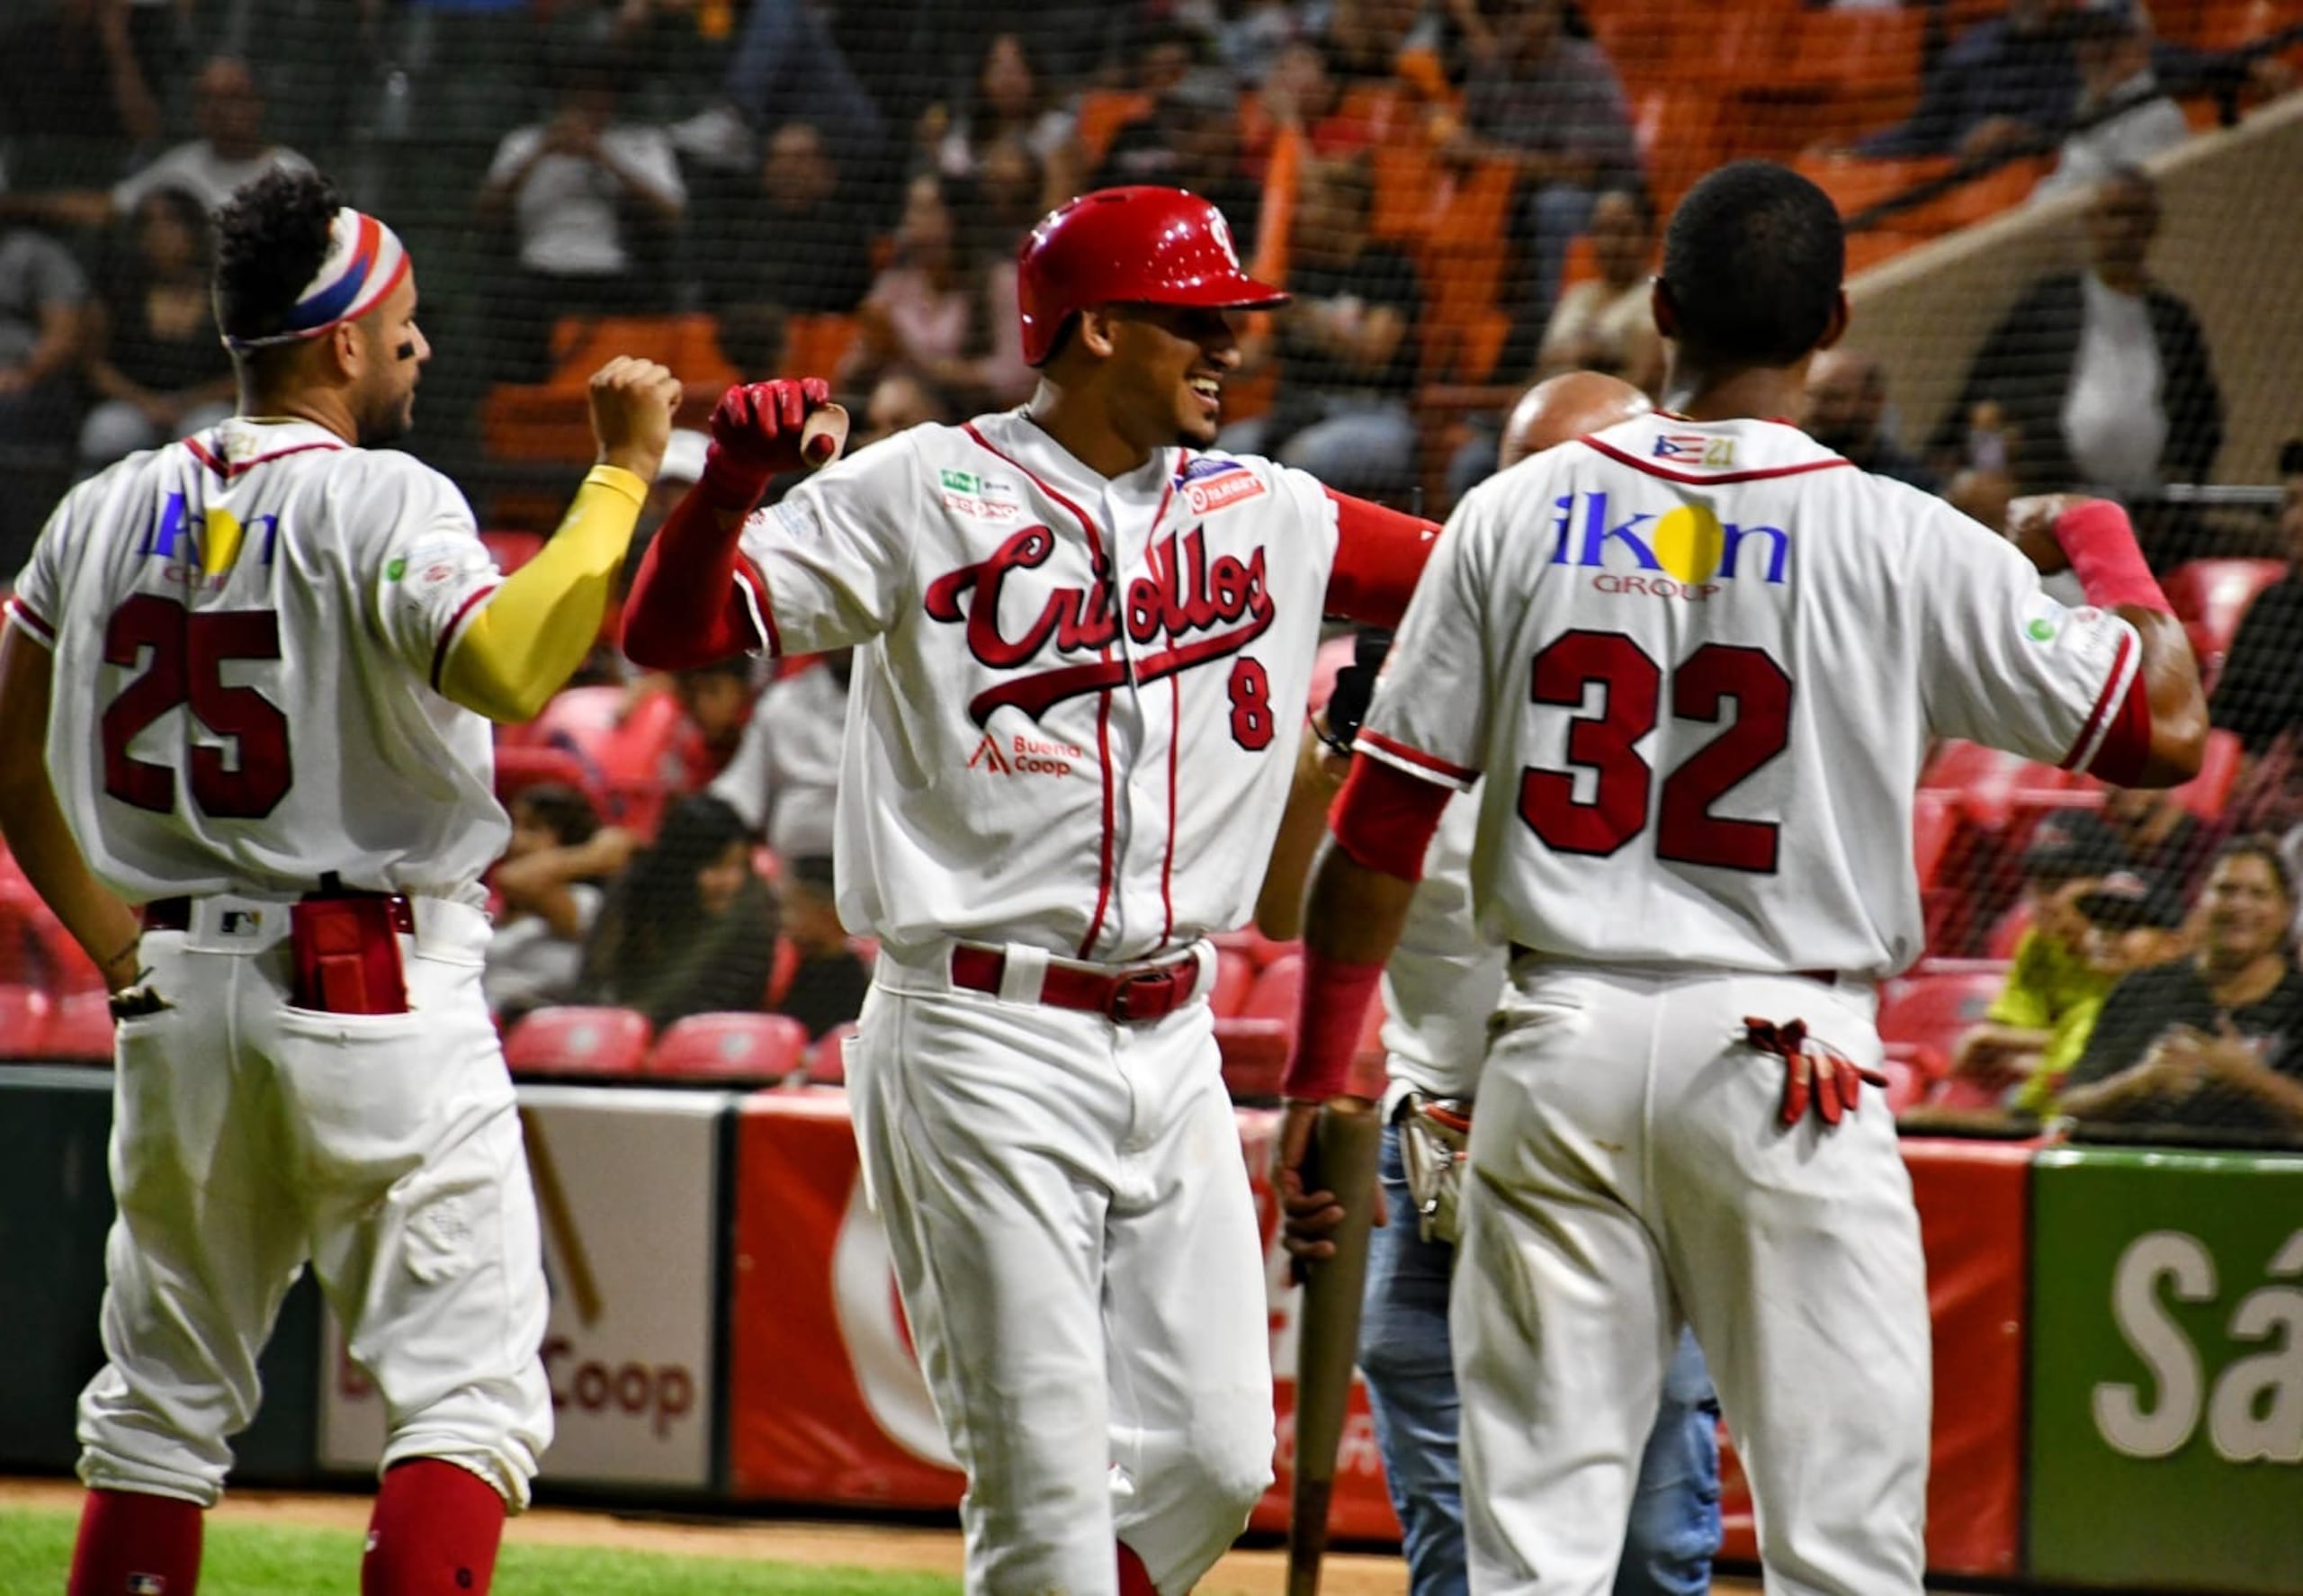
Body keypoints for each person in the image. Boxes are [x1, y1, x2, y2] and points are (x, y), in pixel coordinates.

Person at [1275, 160, 2207, 1594]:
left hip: (1559, 1042)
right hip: (1787, 1058)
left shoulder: (1514, 513)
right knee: (1842, 1550)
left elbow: (1380, 831)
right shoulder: (1901, 534)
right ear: (1833, 323)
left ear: (1659, 310)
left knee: (1532, 1556)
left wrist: (1316, 1076)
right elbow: (2165, 729)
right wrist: (2096, 537)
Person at [616, 184, 1443, 1595]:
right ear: (1097, 328)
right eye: (1196, 318)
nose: (1230, 345)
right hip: (979, 1029)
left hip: (1175, 1038)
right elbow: (668, 632)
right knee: (1045, 1486)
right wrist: (728, 491)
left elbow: (1474, 580)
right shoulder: (920, 487)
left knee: (1211, 1461)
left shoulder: (1271, 509)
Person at [0, 166, 684, 1596]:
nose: (419, 343)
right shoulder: (387, 495)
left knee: (156, 1412)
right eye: (405, 319)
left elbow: (10, 761)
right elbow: (510, 666)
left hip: (173, 989)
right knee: (467, 1399)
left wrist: (117, 951)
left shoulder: (102, 501)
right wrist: (620, 476)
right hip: (369, 979)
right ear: (343, 339)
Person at [1259, 372, 1723, 1596]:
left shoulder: (1713, 662)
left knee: (1647, 1543)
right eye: (1527, 479)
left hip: (1629, 1145)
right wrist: (1343, 739)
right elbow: (1280, 905)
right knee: (1458, 1544)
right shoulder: (1418, 653)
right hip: (1441, 1147)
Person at [1931, 166, 2223, 504]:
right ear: (2092, 222)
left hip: (2149, 503)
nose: (2125, 228)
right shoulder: (2050, 306)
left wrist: (2181, 477)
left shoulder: (2172, 321)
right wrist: (1992, 466)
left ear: (2154, 225)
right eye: (2114, 214)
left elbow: (2202, 414)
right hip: (2057, 493)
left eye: (2137, 215)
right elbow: (1988, 396)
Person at [2057, 837, 2303, 1137]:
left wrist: (2250, 1079)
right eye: (2225, 890)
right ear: (2200, 902)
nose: (2239, 905)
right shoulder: (2141, 989)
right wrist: (2140, 1082)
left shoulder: (2297, 1004)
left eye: (2259, 894)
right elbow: (2070, 1106)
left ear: (2286, 910)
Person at [1218, 155, 1423, 500]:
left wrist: (1295, 310)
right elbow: (1253, 360)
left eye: (1311, 201)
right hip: (1297, 413)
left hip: (1373, 416)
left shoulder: (1388, 266)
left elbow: (1373, 355)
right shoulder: (1300, 272)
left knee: (1302, 460)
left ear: (1347, 207)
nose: (1298, 213)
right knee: (1221, 456)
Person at [580, 793, 779, 1029]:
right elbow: (594, 981)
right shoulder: (635, 893)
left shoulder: (753, 914)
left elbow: (725, 1006)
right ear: (682, 867)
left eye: (739, 866)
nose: (731, 881)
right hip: (620, 1031)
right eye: (716, 866)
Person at [837, 173, 1034, 412]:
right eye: (910, 209)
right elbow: (848, 369)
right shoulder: (894, 283)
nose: (910, 220)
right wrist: (869, 358)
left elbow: (1016, 374)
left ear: (958, 217)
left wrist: (939, 370)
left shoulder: (999, 282)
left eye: (925, 210)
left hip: (971, 415)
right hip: (893, 406)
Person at [76, 188, 238, 471]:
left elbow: (250, 370)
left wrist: (191, 402)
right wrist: (145, 402)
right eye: (148, 224)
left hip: (206, 404)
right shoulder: (118, 291)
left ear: (194, 231)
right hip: (134, 402)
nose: (158, 234)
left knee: (208, 432)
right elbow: (93, 364)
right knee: (108, 430)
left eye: (171, 222)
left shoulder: (228, 295)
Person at [485, 783, 635, 1024]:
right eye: (513, 825)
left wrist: (591, 856)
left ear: (567, 838)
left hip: (534, 1027)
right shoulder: (493, 908)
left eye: (532, 828)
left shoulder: (584, 901)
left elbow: (515, 880)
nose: (514, 839)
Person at [2030, 0, 2190, 204]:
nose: (2090, 51)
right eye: (2083, 39)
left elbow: (2133, 208)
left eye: (2104, 40)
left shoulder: (2154, 115)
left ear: (2138, 45)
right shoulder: (2088, 107)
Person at [710, 649, 849, 863]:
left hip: (882, 865)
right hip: (796, 865)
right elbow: (740, 791)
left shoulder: (901, 702)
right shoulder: (783, 701)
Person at [1799, 347, 1940, 493]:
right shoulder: (1791, 462)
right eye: (1809, 395)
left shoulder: (1907, 484)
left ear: (1874, 402)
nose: (1813, 409)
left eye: (1833, 397)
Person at [774, 852, 874, 1040]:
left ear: (829, 914)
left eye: (794, 909)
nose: (785, 920)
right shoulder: (795, 970)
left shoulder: (849, 980)